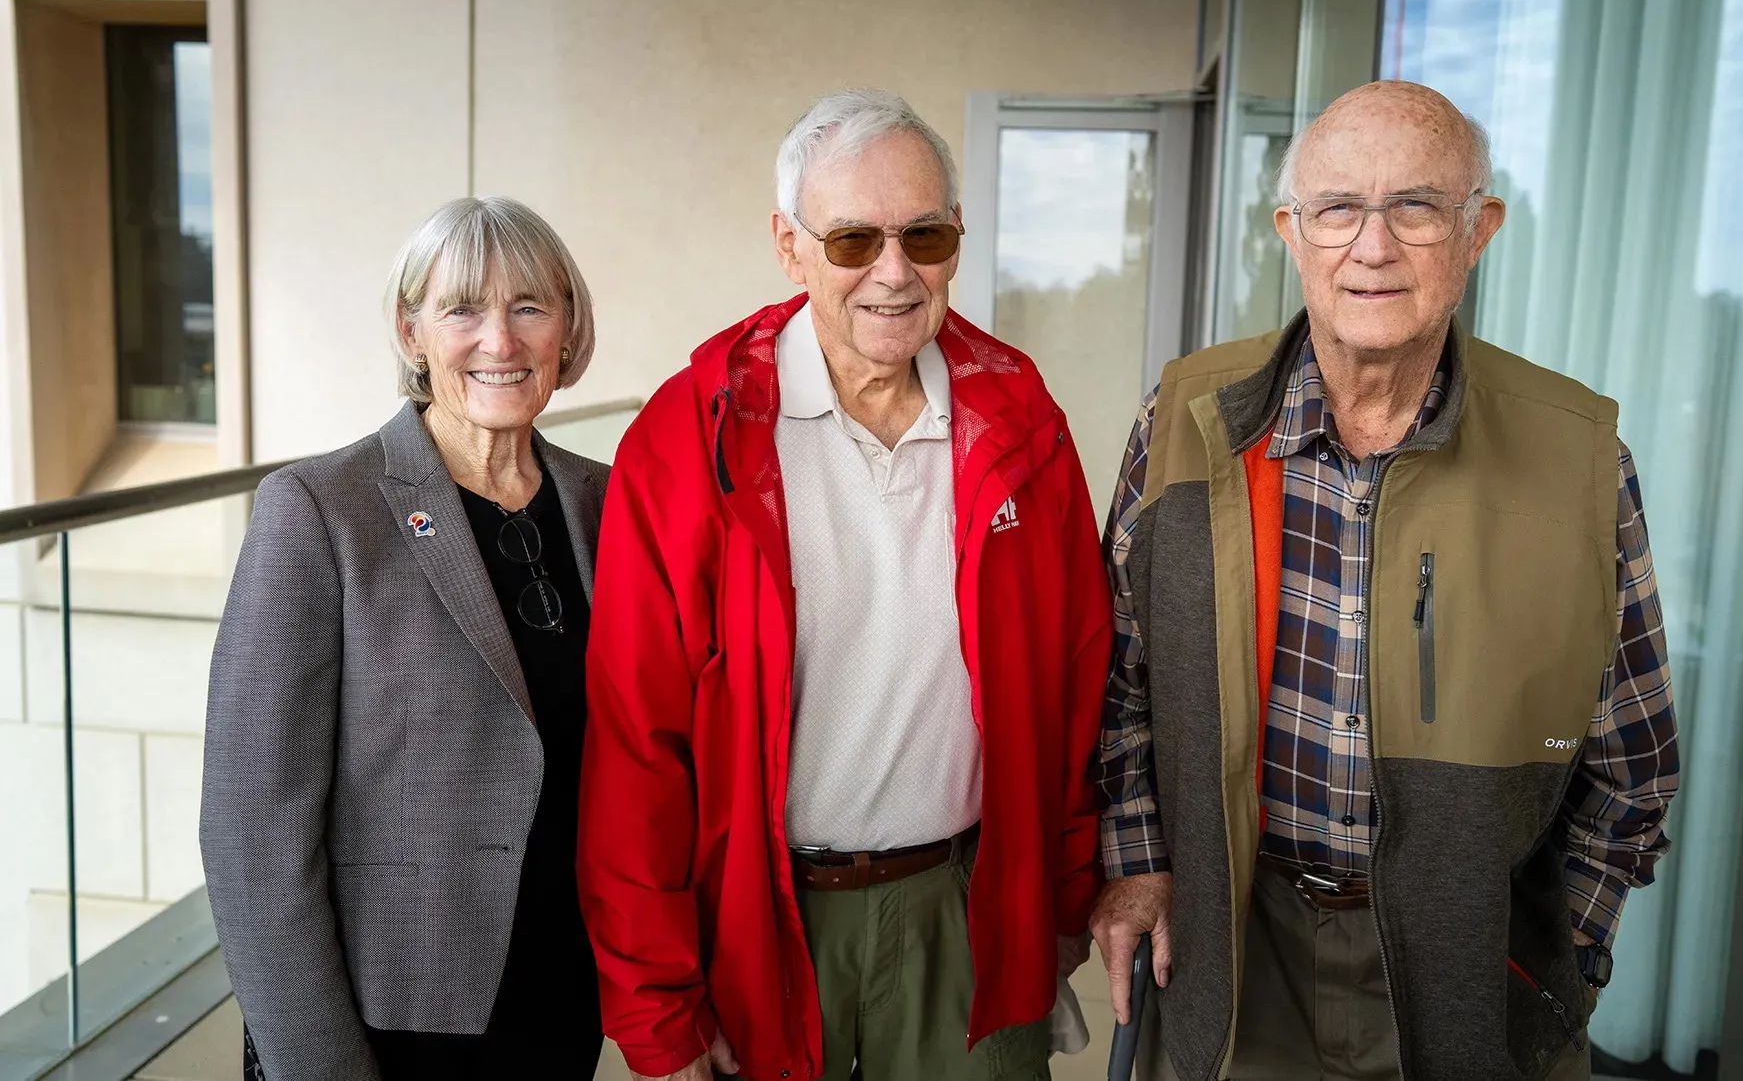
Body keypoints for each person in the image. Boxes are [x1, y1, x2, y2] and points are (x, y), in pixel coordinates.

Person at [1088, 81, 1681, 1081]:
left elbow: (1634, 760)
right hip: (1235, 948)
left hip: (1471, 972)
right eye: (1337, 209)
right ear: (1290, 230)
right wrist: (1139, 859)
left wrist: (1557, 953)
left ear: (1477, 229)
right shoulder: (1186, 419)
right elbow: (1120, 684)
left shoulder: (1574, 454)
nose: (1372, 246)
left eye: (1415, 206)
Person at [579, 89, 1110, 1081]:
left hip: (969, 906)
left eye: (926, 234)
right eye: (854, 239)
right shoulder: (692, 438)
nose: (894, 272)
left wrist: (1065, 896)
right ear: (789, 246)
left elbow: (1075, 682)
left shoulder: (1021, 419)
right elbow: (634, 743)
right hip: (764, 925)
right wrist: (656, 1003)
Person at [200, 196, 608, 1080]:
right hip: (391, 1024)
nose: (499, 341)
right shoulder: (321, 512)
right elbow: (250, 838)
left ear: (566, 329)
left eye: (530, 306)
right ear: (411, 331)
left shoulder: (607, 505)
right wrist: (316, 1063)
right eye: (463, 309)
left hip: (564, 1003)